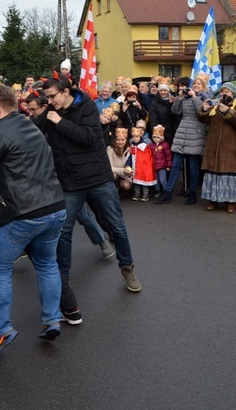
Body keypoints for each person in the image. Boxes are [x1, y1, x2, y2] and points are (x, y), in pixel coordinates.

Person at [0, 84, 67, 356]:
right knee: (47, 265)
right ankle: (52, 319)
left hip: (23, 213)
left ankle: (0, 331)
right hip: (54, 207)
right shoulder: (30, 125)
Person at [35, 75, 142, 326]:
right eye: (46, 98)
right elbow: (33, 128)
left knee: (116, 225)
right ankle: (63, 280)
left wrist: (60, 122)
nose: (49, 101)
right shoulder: (52, 111)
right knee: (63, 232)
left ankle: (127, 267)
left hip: (98, 178)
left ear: (66, 91)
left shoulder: (88, 106)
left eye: (52, 96)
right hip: (70, 182)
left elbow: (89, 137)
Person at [156, 77, 207, 205]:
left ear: (203, 86)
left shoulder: (205, 97)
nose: (196, 86)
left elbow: (201, 113)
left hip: (196, 133)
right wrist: (179, 98)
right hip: (182, 132)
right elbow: (175, 111)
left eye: (199, 84)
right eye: (194, 84)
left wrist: (194, 96)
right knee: (175, 165)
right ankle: (167, 192)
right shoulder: (185, 97)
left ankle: (192, 193)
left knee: (193, 166)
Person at [198, 83, 236, 212]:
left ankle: (230, 202)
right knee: (213, 172)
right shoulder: (215, 105)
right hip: (213, 145)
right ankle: (212, 200)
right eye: (222, 91)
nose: (224, 94)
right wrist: (204, 108)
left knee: (228, 172)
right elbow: (202, 120)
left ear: (233, 94)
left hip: (230, 146)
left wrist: (228, 112)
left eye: (227, 92)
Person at [125, 126, 155, 201]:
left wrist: (146, 168)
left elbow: (148, 158)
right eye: (133, 136)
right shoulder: (132, 146)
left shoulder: (144, 147)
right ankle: (137, 194)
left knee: (144, 182)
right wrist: (128, 165)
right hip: (135, 167)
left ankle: (145, 194)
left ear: (140, 136)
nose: (135, 138)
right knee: (136, 182)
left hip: (143, 168)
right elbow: (129, 157)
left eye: (137, 136)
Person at [150, 125, 173, 198]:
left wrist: (169, 165)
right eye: (154, 137)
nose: (156, 139)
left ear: (161, 138)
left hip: (162, 166)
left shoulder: (165, 145)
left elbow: (168, 156)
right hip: (154, 165)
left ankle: (166, 192)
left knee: (163, 179)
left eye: (158, 137)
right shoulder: (151, 145)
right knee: (156, 180)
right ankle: (157, 191)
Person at [108, 128, 132, 193]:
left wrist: (129, 170)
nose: (120, 142)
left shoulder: (130, 148)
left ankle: (120, 188)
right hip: (115, 173)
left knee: (126, 186)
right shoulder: (110, 149)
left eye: (122, 140)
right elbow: (110, 167)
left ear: (126, 140)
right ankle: (113, 189)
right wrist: (122, 170)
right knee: (112, 175)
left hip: (124, 175)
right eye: (118, 140)